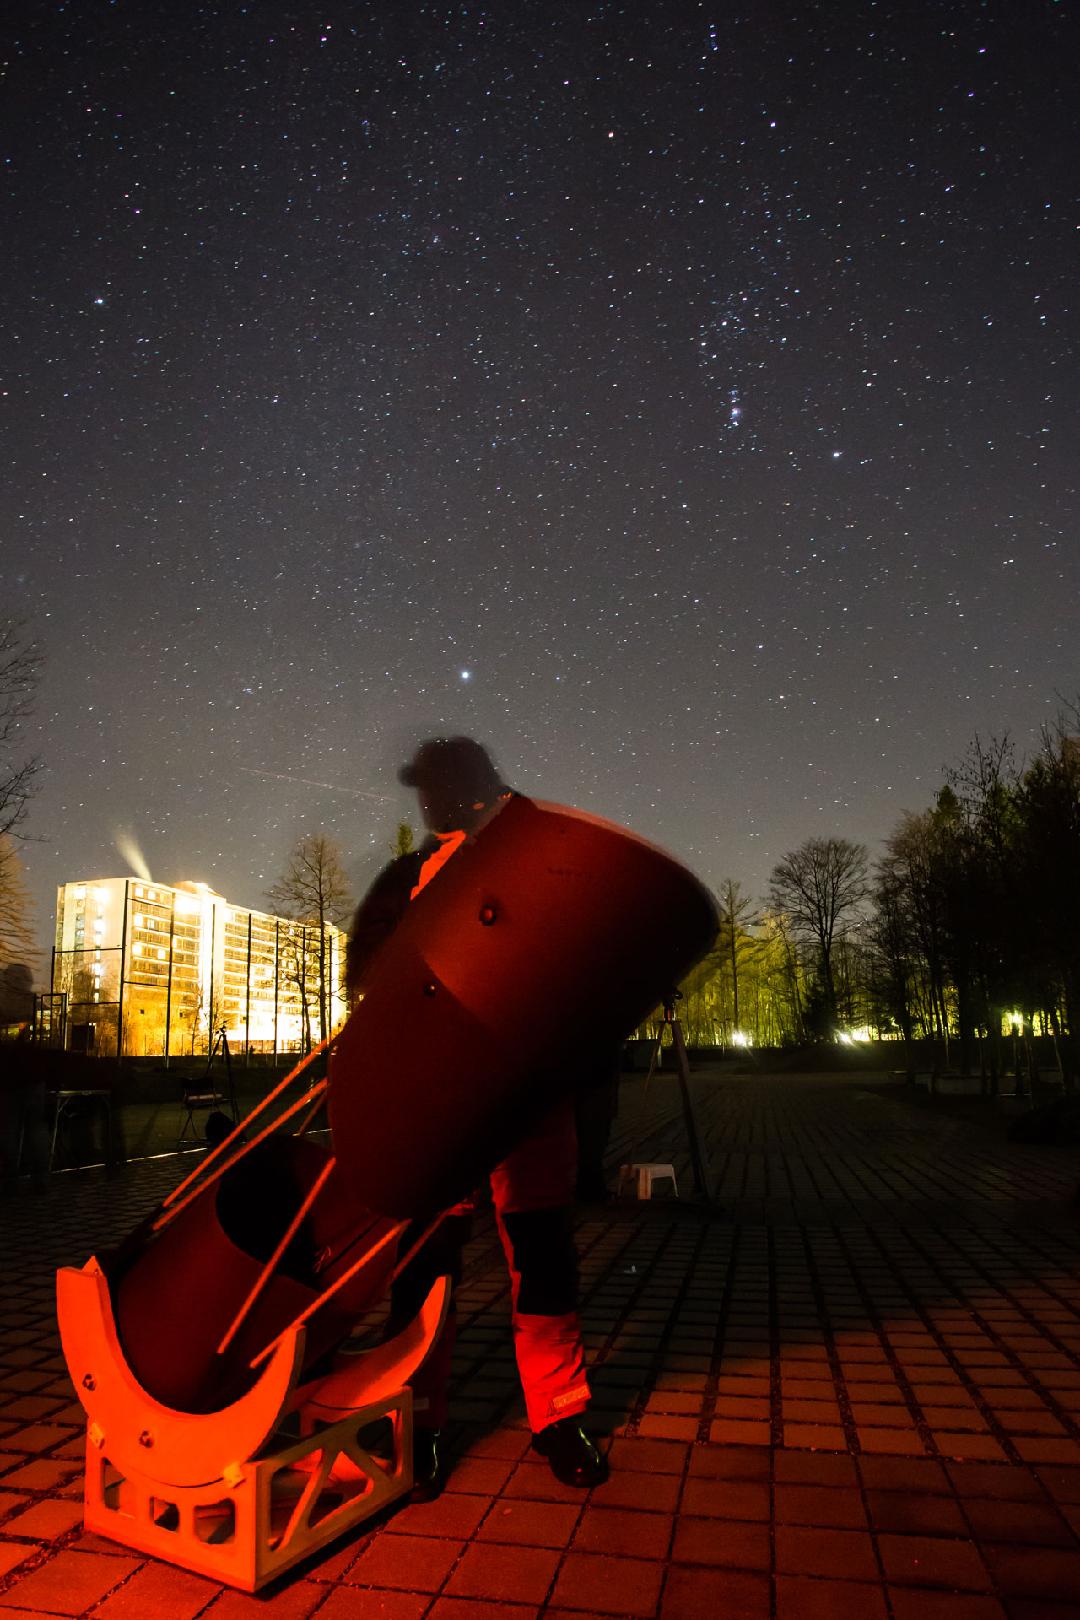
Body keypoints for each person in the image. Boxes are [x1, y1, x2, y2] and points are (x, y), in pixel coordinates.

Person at [345, 736, 608, 1497]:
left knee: (542, 1257)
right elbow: (368, 971)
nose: (424, 801)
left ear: (472, 785)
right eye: (420, 788)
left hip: (529, 1090)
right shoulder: (408, 876)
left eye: (435, 786)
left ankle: (559, 1414)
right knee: (426, 1263)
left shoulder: (539, 849)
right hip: (441, 1097)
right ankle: (417, 1422)